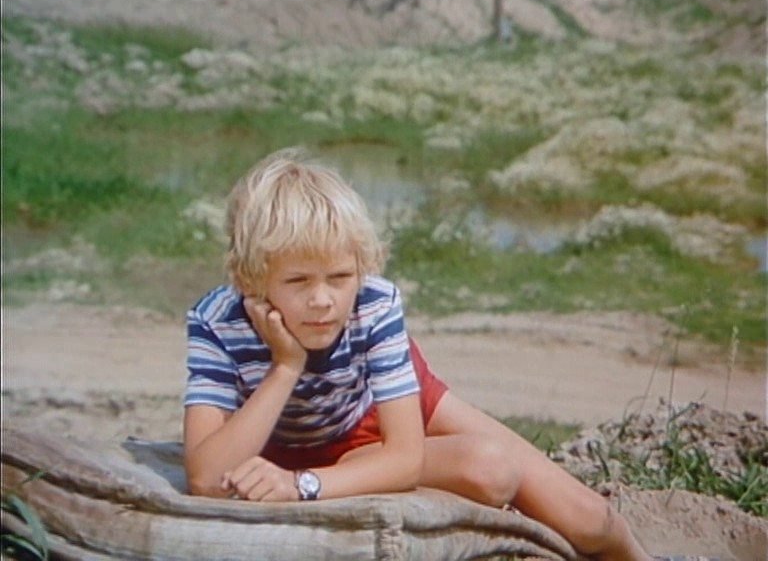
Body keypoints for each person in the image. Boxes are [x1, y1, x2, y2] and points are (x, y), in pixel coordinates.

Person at [183, 148, 651, 560]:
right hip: (281, 437)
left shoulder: (375, 303)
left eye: (340, 277)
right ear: (251, 279)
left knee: (580, 515)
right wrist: (286, 367)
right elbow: (205, 479)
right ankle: (358, 472)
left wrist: (301, 484)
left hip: (378, 412)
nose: (322, 300)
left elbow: (405, 457)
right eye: (298, 281)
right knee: (477, 469)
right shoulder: (216, 321)